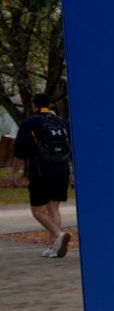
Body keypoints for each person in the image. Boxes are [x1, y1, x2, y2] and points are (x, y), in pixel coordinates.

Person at [10, 94, 73, 258]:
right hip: (61, 170)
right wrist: (71, 171)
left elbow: (20, 151)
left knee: (37, 210)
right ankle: (54, 246)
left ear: (33, 105)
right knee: (53, 207)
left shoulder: (30, 122)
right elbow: (70, 147)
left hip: (40, 171)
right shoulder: (60, 122)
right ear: (49, 104)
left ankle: (58, 235)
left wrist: (15, 173)